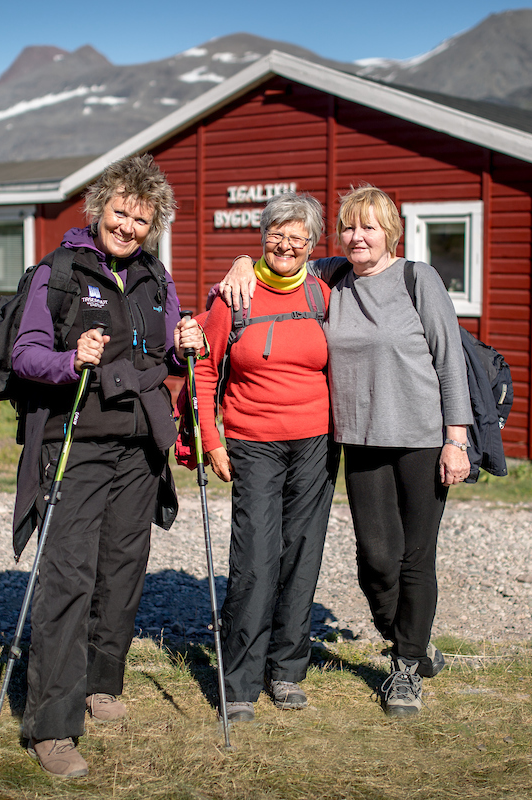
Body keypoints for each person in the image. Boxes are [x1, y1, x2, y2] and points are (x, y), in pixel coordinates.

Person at [222, 185, 471, 718]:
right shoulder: (335, 276)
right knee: (376, 560)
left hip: (423, 439)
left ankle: (405, 667)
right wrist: (242, 260)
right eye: (350, 228)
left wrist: (457, 439)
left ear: (391, 233)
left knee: (415, 556)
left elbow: (450, 359)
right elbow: (285, 248)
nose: (358, 237)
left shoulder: (416, 279)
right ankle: (412, 636)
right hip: (358, 440)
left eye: (370, 228)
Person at [10, 153, 205, 778]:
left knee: (123, 568)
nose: (128, 227)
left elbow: (169, 358)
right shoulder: (59, 271)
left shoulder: (155, 276)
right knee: (69, 576)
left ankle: (101, 683)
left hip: (138, 449)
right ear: (99, 208)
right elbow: (26, 354)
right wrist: (72, 360)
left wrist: (185, 347)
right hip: (75, 442)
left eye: (142, 219)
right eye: (120, 212)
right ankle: (52, 727)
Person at [194, 193, 338, 723]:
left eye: (297, 236)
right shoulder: (235, 296)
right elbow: (204, 371)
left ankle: (287, 669)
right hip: (253, 442)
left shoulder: (324, 294)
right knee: (254, 558)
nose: (285, 244)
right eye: (277, 233)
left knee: (302, 554)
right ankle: (239, 682)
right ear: (262, 238)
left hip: (316, 443)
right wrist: (211, 439)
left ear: (312, 245)